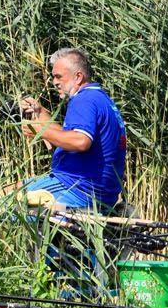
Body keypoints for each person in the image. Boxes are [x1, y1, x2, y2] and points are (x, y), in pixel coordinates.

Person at [12, 47, 127, 210]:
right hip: (99, 193)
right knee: (10, 190)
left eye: (58, 77)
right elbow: (68, 137)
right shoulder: (99, 97)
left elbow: (81, 141)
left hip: (77, 188)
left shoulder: (84, 100)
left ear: (78, 77)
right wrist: (40, 113)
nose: (54, 82)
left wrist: (39, 131)